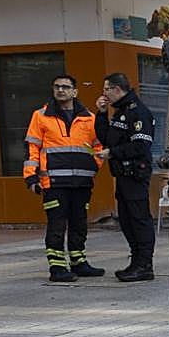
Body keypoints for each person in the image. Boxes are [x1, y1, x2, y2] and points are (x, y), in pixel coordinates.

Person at [24, 74, 105, 282]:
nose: (61, 90)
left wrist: (93, 166)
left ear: (75, 92)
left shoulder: (89, 118)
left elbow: (98, 147)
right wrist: (31, 179)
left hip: (82, 182)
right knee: (57, 224)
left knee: (79, 223)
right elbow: (32, 148)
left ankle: (79, 262)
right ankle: (57, 267)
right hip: (53, 182)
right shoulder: (40, 116)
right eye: (57, 87)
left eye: (65, 87)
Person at [94, 73, 156, 282]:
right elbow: (107, 139)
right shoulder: (120, 112)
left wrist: (113, 153)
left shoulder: (137, 112)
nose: (104, 94)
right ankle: (136, 261)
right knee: (127, 221)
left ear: (117, 89)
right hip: (122, 175)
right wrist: (101, 114)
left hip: (135, 174)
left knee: (139, 219)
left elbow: (141, 145)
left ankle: (145, 265)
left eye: (106, 90)